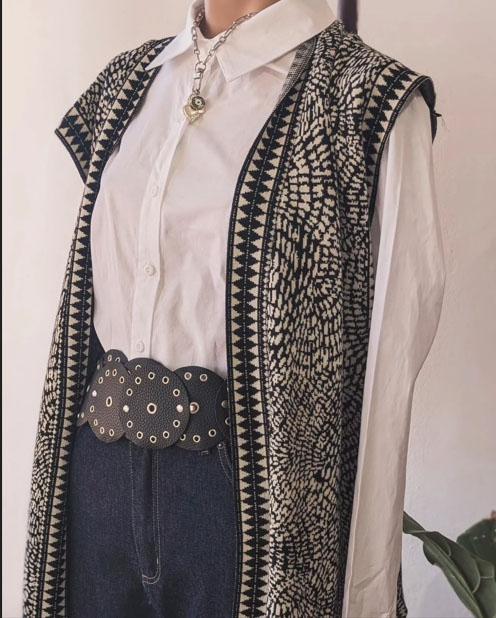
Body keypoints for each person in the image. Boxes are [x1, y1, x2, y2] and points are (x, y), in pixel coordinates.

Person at [23, 0, 446, 616]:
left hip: (245, 505)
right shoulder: (128, 83)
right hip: (97, 481)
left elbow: (392, 361)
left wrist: (368, 594)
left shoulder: (367, 101)